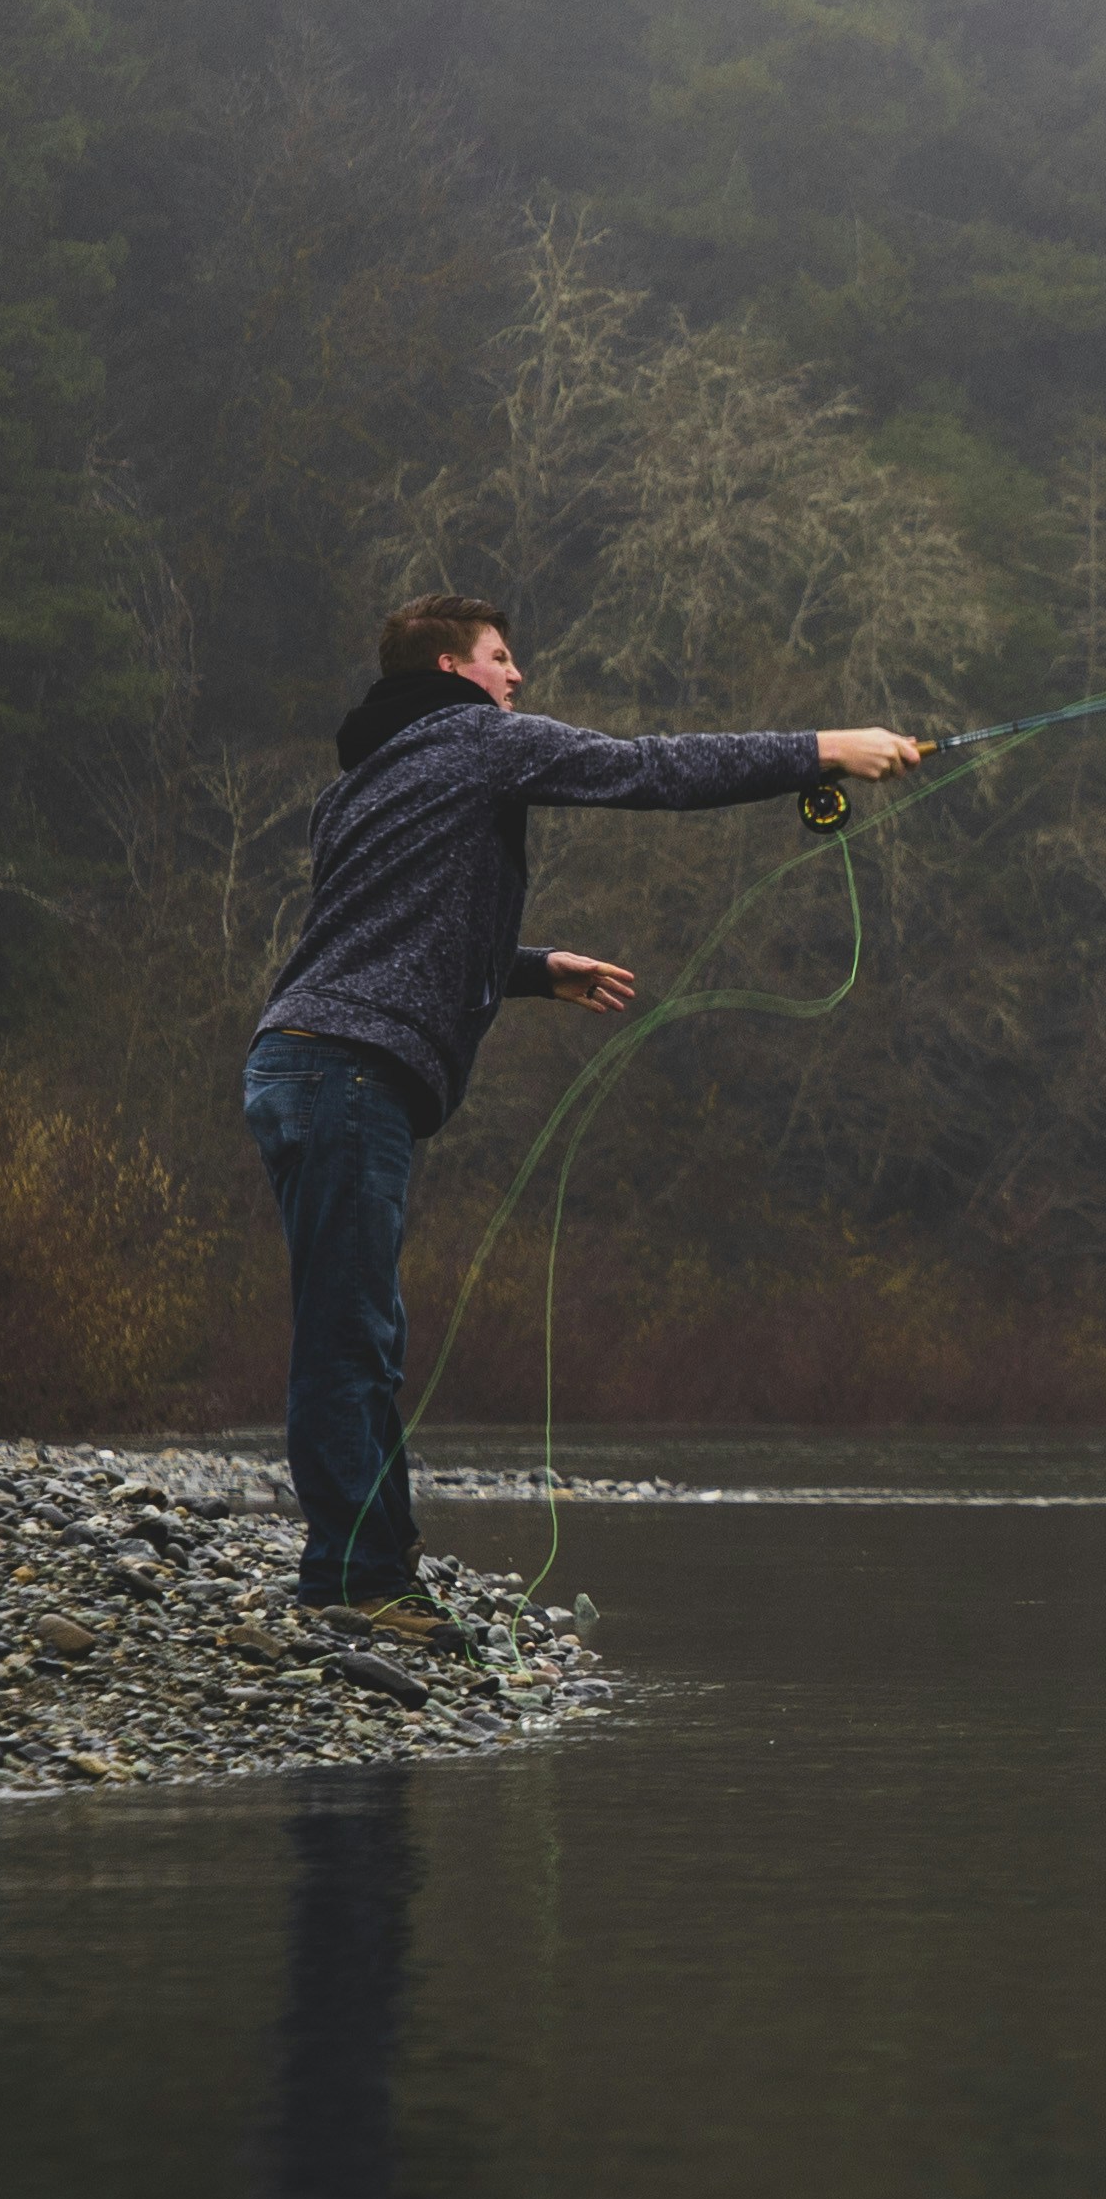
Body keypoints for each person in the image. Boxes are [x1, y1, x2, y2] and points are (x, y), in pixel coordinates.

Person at [243, 595, 925, 1635]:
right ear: (450, 667)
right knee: (349, 1338)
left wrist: (527, 968)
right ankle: (352, 1583)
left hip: (298, 1062)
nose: (518, 678)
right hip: (347, 1071)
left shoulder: (355, 789)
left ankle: (372, 1565)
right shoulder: (479, 742)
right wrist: (824, 747)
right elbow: (649, 769)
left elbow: (379, 933)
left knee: (363, 1326)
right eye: (502, 658)